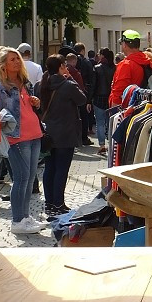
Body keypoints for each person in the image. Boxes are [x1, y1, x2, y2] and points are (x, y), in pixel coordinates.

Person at [0, 47, 47, 235]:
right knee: (21, 179)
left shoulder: (24, 82)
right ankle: (17, 221)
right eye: (12, 59)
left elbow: (31, 107)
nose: (17, 61)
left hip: (34, 134)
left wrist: (36, 102)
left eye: (17, 58)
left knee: (30, 179)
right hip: (16, 137)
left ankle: (25, 217)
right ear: (3, 64)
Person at [38, 54, 88, 218]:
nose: (67, 69)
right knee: (61, 169)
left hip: (47, 134)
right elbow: (82, 99)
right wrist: (71, 79)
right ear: (60, 67)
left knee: (49, 168)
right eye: (65, 66)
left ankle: (49, 203)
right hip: (65, 134)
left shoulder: (41, 85)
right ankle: (58, 204)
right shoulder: (67, 85)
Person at [110, 29, 152, 107]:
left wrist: (114, 114)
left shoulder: (126, 65)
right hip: (144, 107)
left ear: (124, 44)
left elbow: (118, 93)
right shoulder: (148, 62)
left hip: (127, 109)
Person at [92, 47, 115, 155]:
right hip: (111, 98)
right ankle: (112, 145)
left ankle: (102, 145)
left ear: (102, 56)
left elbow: (93, 85)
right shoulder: (115, 68)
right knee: (110, 122)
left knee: (100, 123)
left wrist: (89, 99)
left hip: (98, 98)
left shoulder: (97, 68)